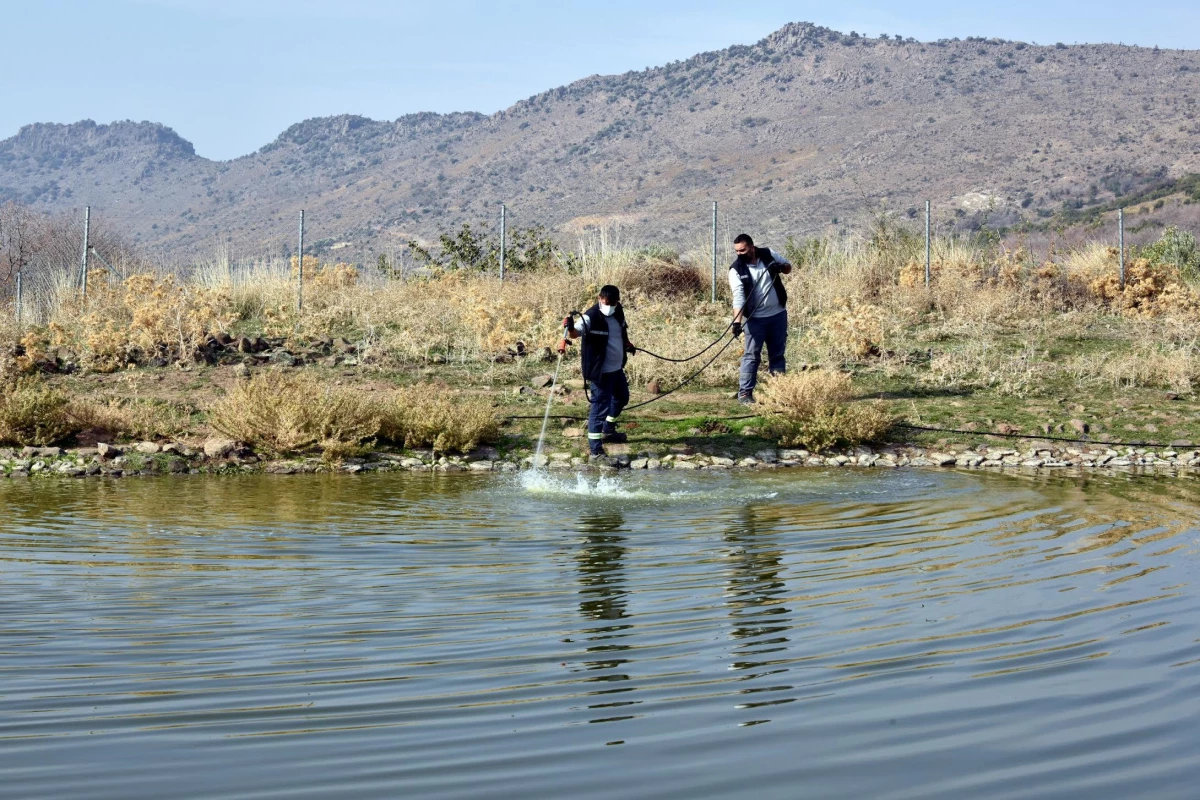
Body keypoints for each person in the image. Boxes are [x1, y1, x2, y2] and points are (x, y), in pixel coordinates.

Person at [558, 285, 637, 457]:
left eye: (612, 302)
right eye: (605, 301)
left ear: (617, 301)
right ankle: (595, 450)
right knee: (599, 409)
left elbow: (622, 330)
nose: (608, 305)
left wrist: (627, 343)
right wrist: (570, 327)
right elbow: (574, 333)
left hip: (617, 369)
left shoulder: (618, 311)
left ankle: (608, 429)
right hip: (601, 373)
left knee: (622, 398)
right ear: (599, 298)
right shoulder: (590, 316)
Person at [728, 233, 792, 404]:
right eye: (737, 251)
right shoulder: (736, 270)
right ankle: (745, 393)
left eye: (742, 250)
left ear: (752, 247)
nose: (739, 253)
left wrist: (780, 266)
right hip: (755, 320)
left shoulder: (768, 254)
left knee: (777, 355)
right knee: (751, 355)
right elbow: (739, 297)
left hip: (778, 315)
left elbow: (788, 267)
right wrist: (737, 322)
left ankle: (780, 393)